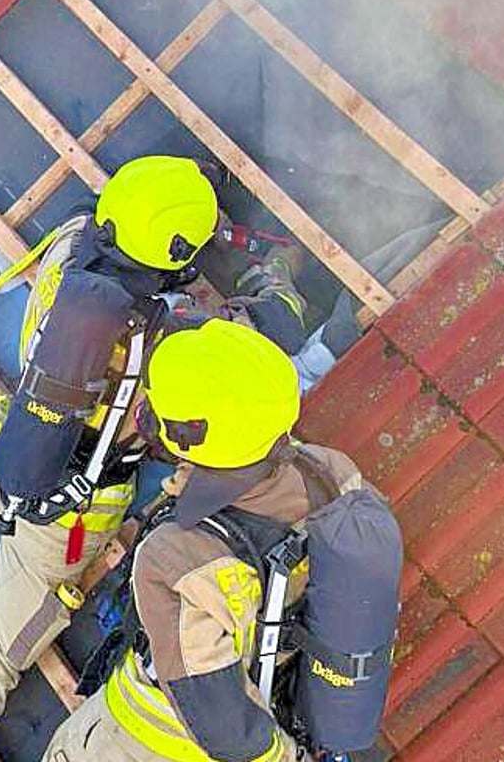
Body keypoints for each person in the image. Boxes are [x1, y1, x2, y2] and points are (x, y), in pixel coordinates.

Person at [0, 155, 307, 762]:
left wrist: (184, 194)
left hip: (7, 446)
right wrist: (278, 272)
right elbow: (271, 329)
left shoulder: (70, 242)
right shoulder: (171, 337)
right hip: (70, 520)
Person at [41, 318, 402, 762]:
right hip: (278, 708)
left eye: (158, 417)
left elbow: (219, 719)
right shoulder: (333, 474)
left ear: (191, 436)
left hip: (138, 743)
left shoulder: (177, 558)